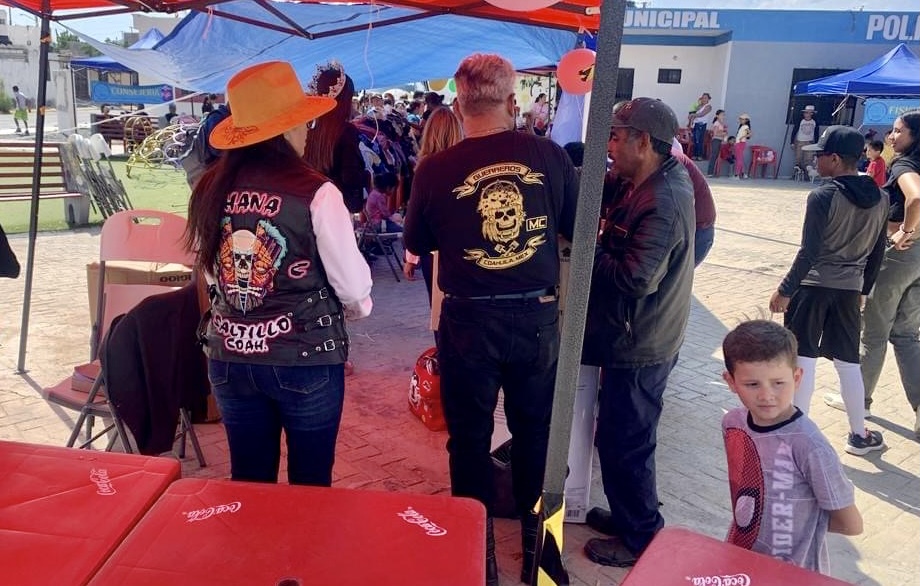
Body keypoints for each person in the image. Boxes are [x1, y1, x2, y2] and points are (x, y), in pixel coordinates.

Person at [403, 53, 577, 586]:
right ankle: (544, 560)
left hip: (467, 321)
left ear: (459, 105)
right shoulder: (548, 155)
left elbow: (417, 242)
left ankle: (475, 560)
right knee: (537, 437)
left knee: (469, 441)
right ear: (511, 100)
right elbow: (574, 227)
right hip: (535, 315)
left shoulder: (434, 169)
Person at [185, 61, 373, 487]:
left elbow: (211, 272)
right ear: (285, 128)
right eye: (303, 121)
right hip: (304, 356)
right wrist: (356, 309)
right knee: (310, 485)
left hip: (230, 355)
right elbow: (353, 287)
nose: (308, 130)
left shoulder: (209, 188)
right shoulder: (317, 192)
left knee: (250, 481)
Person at [582, 97, 695, 567]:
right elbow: (597, 183)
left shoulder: (663, 199)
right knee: (617, 437)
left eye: (615, 137)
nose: (609, 147)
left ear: (643, 141)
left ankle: (642, 537)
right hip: (637, 333)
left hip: (643, 341)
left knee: (627, 441)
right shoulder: (641, 181)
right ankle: (630, 515)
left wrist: (587, 249)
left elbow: (636, 277)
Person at [769, 125, 887, 456]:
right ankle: (859, 435)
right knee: (848, 362)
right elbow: (878, 252)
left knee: (803, 360)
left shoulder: (823, 196)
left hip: (812, 288)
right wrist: (864, 290)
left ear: (835, 159)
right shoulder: (882, 198)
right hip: (849, 291)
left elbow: (809, 252)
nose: (815, 160)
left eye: (820, 155)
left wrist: (785, 289)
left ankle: (796, 439)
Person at [721, 320, 862, 573]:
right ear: (731, 381)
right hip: (740, 558)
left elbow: (850, 524)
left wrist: (799, 525)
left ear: (796, 378)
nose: (766, 395)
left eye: (778, 382)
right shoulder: (733, 424)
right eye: (752, 384)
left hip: (794, 572)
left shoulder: (810, 445)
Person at [825, 110, 920, 439]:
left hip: (900, 256)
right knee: (906, 335)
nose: (891, 137)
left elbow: (916, 197)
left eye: (898, 131)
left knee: (874, 331)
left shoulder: (905, 164)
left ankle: (860, 399)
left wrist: (906, 231)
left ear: (915, 136)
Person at [403, 106, 464, 300]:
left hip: (433, 249)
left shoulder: (425, 169)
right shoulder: (466, 165)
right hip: (463, 248)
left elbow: (415, 217)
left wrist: (411, 258)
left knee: (438, 307)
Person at [304, 60, 369, 214]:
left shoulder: (308, 128)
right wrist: (368, 176)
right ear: (343, 100)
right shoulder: (346, 131)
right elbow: (350, 177)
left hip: (310, 204)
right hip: (338, 207)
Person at [792, 105, 820, 170]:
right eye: (805, 112)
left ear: (812, 114)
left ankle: (807, 173)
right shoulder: (800, 121)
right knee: (798, 157)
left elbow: (816, 133)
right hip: (800, 141)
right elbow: (794, 131)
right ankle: (797, 171)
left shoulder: (814, 122)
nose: (806, 114)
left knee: (809, 159)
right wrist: (792, 142)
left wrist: (816, 143)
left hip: (810, 142)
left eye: (808, 113)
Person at [688, 92, 713, 160]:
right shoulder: (699, 106)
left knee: (699, 140)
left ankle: (699, 155)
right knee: (695, 140)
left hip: (701, 124)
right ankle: (695, 154)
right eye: (703, 98)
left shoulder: (708, 106)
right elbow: (694, 111)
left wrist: (692, 115)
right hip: (695, 124)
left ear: (708, 99)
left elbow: (702, 114)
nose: (704, 99)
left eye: (705, 98)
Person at [707, 109, 728, 176]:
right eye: (721, 115)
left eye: (724, 115)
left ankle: (714, 172)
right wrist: (723, 134)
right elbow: (715, 133)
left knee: (717, 156)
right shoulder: (717, 123)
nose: (723, 116)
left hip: (720, 140)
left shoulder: (722, 124)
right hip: (716, 140)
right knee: (714, 156)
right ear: (717, 116)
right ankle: (710, 172)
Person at [734, 113, 752, 179]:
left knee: (739, 159)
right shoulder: (742, 126)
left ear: (746, 120)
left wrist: (743, 137)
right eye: (740, 119)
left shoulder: (745, 126)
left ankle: (737, 174)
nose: (741, 120)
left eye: (742, 119)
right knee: (740, 158)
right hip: (738, 143)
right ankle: (743, 173)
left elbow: (750, 134)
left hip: (740, 143)